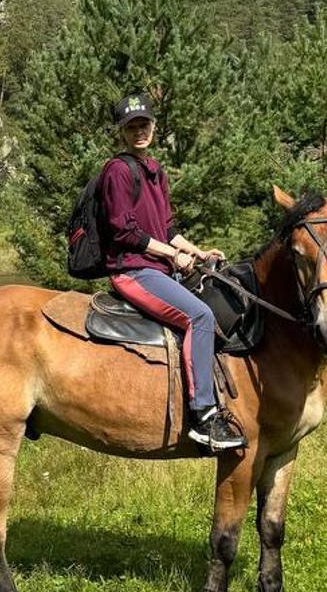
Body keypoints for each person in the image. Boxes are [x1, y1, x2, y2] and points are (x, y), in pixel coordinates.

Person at [99, 93, 247, 452]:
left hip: (158, 268)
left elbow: (166, 229)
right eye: (131, 126)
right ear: (121, 132)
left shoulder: (155, 171)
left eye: (144, 124)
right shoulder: (118, 171)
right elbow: (125, 233)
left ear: (153, 127)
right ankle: (204, 416)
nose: (139, 132)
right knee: (200, 315)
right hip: (132, 270)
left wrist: (196, 251)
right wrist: (172, 255)